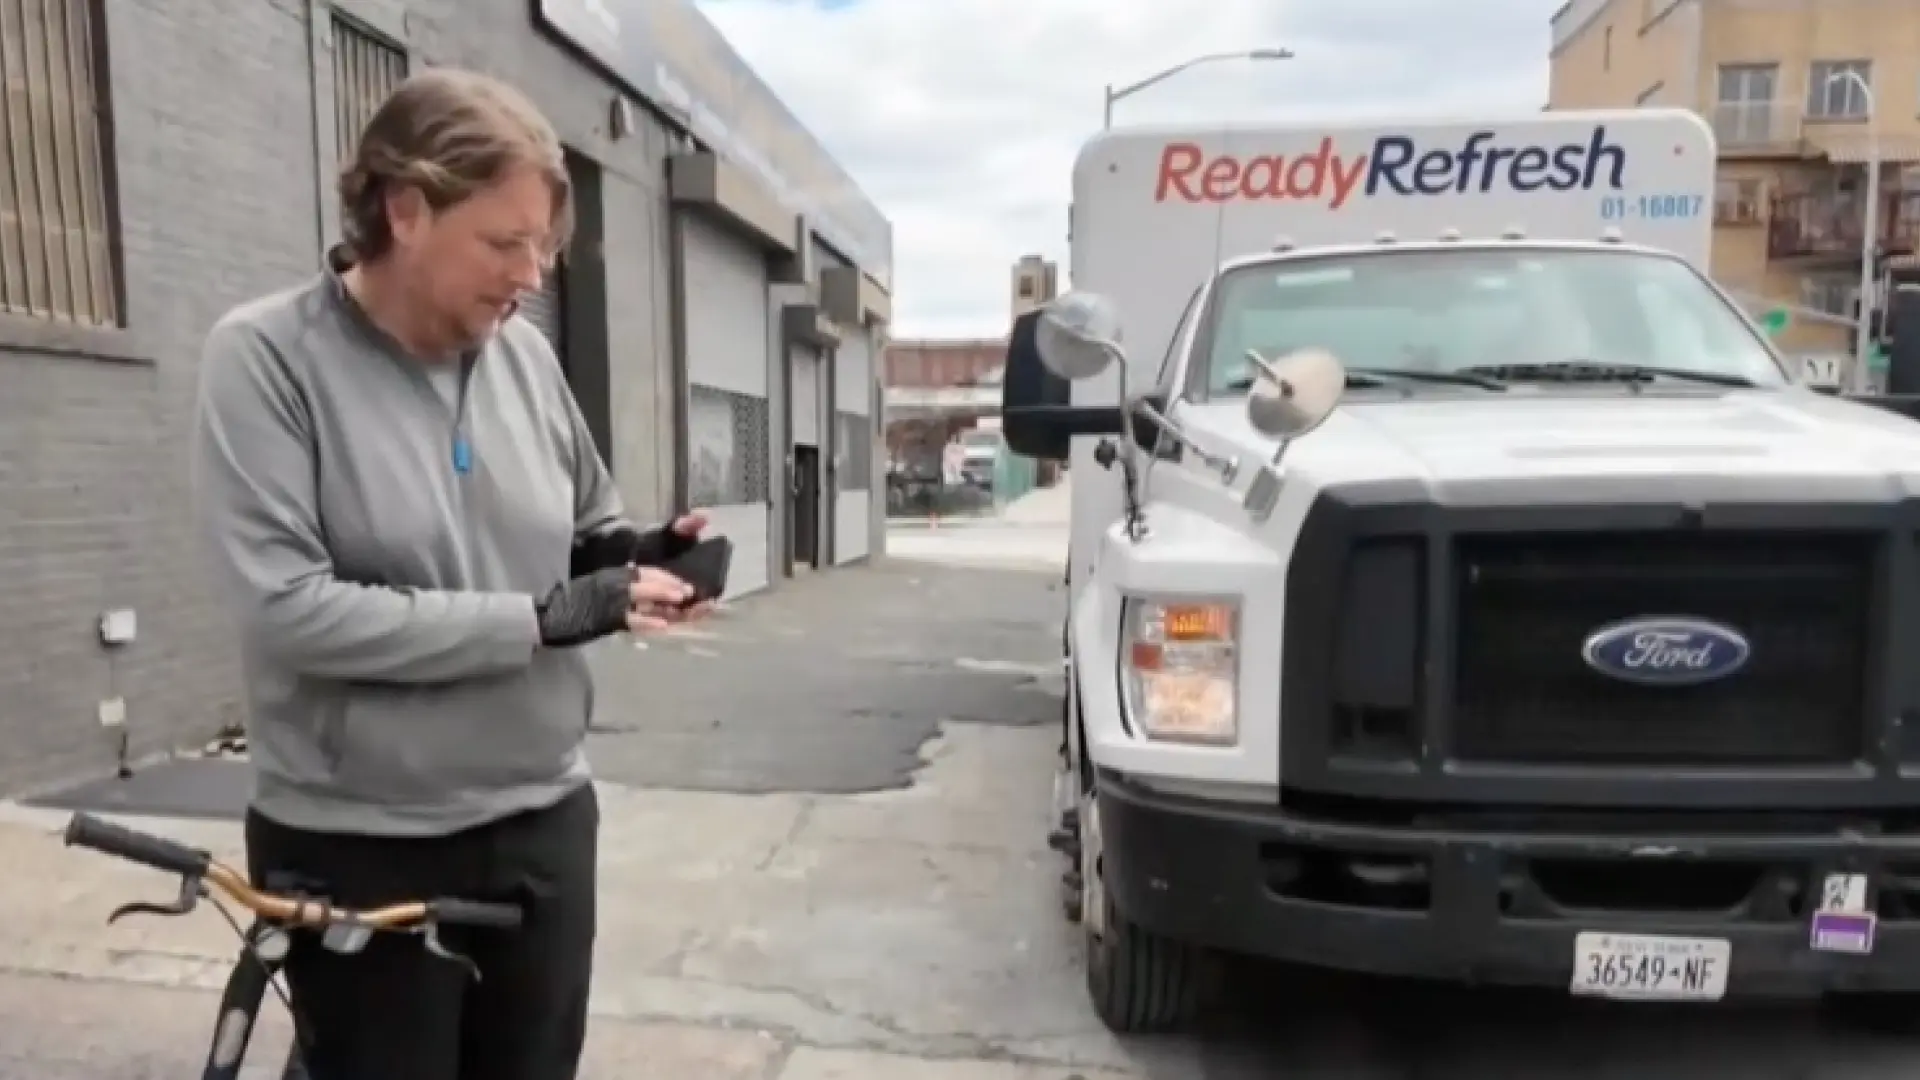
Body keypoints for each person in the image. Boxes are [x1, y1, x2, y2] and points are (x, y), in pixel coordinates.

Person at [188, 68, 707, 1080]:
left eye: (543, 249)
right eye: (504, 242)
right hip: (359, 842)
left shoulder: (527, 360)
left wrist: (630, 555)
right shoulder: (265, 360)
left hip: (542, 824)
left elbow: (581, 528)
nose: (531, 275)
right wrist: (538, 618)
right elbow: (291, 613)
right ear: (406, 210)